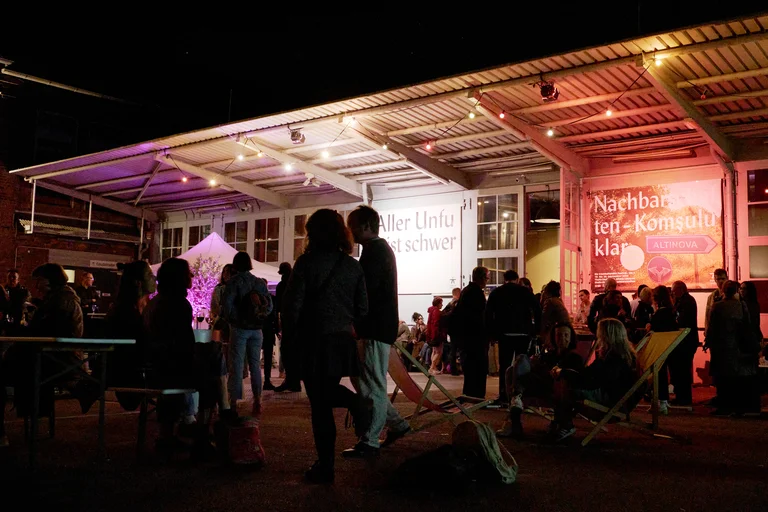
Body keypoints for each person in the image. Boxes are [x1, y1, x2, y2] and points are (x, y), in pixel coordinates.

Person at [281, 209, 371, 484]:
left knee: (319, 405)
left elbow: (292, 307)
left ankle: (327, 464)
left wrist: (289, 341)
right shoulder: (352, 266)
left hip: (313, 340)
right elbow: (362, 307)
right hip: (341, 340)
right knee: (323, 397)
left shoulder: (306, 264)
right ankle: (326, 463)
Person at [144, 258, 231, 455]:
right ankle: (208, 427)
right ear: (179, 278)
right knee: (211, 375)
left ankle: (180, 431)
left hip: (157, 367)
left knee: (213, 356)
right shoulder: (179, 305)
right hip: (172, 368)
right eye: (189, 272)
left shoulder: (155, 303)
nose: (192, 275)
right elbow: (183, 346)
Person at [343, 205, 411, 459]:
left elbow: (366, 293)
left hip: (373, 327)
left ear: (366, 227)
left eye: (354, 228)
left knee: (372, 384)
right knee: (369, 381)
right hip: (380, 326)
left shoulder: (373, 253)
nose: (351, 233)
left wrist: (356, 321)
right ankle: (397, 425)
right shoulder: (380, 250)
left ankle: (371, 439)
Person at [1, 264, 92, 448]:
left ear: (50, 281)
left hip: (56, 361)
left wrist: (24, 327)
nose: (37, 286)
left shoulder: (62, 301)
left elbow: (45, 331)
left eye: (40, 281)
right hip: (55, 358)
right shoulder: (60, 298)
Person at [550, 318, 638, 442]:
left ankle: (565, 424)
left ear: (607, 336)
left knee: (567, 385)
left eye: (600, 333)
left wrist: (566, 374)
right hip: (605, 394)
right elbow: (588, 373)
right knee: (565, 380)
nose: (598, 337)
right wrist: (566, 372)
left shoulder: (616, 359)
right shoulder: (612, 355)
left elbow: (596, 381)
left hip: (609, 400)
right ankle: (561, 422)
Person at [497, 323, 584, 438]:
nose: (562, 338)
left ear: (571, 337)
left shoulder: (574, 358)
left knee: (520, 373)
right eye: (559, 335)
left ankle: (515, 406)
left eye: (566, 335)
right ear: (554, 337)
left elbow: (573, 377)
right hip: (536, 385)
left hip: (554, 389)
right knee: (514, 367)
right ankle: (516, 402)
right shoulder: (549, 355)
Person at [221, 251, 273, 417]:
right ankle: (257, 400)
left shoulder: (233, 282)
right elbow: (269, 306)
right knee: (255, 365)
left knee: (236, 365)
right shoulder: (258, 282)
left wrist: (232, 319)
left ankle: (234, 402)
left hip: (239, 328)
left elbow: (227, 306)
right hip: (256, 328)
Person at [705, 280, 760, 415]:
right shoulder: (741, 306)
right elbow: (748, 326)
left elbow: (712, 328)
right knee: (734, 377)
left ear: (723, 291)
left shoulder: (717, 307)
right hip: (736, 346)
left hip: (721, 346)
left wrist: (708, 342)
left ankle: (724, 405)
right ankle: (736, 405)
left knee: (722, 377)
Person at [485, 269, 540, 403]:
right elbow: (537, 309)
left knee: (505, 365)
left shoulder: (497, 292)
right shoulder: (525, 292)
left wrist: (492, 333)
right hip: (523, 333)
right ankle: (520, 394)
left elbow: (488, 314)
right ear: (517, 279)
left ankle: (504, 394)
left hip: (505, 334)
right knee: (522, 365)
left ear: (505, 279)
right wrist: (535, 330)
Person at [453, 266, 491, 399]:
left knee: (470, 370)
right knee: (478, 369)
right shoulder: (476, 293)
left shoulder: (466, 291)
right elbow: (480, 318)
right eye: (487, 278)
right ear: (481, 278)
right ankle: (476, 396)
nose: (487, 281)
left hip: (466, 338)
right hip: (475, 338)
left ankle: (469, 394)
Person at [649, 285, 677, 415]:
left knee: (658, 375)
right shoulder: (671, 311)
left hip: (658, 347)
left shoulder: (660, 312)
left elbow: (653, 328)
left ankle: (661, 401)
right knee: (662, 375)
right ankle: (662, 401)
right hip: (666, 346)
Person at [670, 281, 699, 406]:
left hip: (686, 341)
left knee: (683, 371)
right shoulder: (686, 300)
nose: (672, 293)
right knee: (681, 370)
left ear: (680, 289)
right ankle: (681, 396)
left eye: (673, 291)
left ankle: (684, 398)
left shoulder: (687, 302)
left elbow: (682, 320)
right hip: (686, 340)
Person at [275, 262, 301, 392]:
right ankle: (294, 381)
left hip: (288, 321)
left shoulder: (282, 286)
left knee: (286, 351)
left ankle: (291, 380)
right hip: (298, 322)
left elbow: (279, 306)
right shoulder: (296, 284)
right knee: (294, 352)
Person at [540, 281, 571, 348]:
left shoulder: (549, 301)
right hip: (566, 329)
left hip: (558, 331)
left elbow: (544, 318)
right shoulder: (559, 300)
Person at [261, 279, 278, 391]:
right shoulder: (271, 298)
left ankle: (265, 380)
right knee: (267, 356)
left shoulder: (257, 298)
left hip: (259, 329)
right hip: (268, 330)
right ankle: (267, 380)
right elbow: (274, 314)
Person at [440, 287, 462, 375]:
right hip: (458, 330)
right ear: (459, 294)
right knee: (459, 350)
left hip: (451, 330)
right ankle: (455, 369)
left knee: (453, 349)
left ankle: (453, 368)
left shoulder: (449, 304)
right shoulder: (457, 304)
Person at [210, 264, 234, 340]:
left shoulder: (237, 287)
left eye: (228, 272)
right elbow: (214, 306)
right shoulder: (219, 288)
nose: (225, 274)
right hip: (222, 321)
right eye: (224, 272)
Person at [425, 297, 447, 374]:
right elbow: (436, 324)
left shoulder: (432, 311)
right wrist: (437, 335)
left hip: (432, 334)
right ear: (438, 303)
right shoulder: (436, 312)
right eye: (441, 303)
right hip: (437, 335)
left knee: (434, 351)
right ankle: (432, 367)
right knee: (439, 352)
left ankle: (433, 367)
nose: (442, 304)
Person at [5, 269, 30, 334]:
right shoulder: (3, 291)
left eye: (14, 277)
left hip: (19, 322)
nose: (11, 279)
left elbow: (19, 304)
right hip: (4, 323)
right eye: (9, 277)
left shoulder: (24, 292)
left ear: (18, 279)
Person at [705, 268, 728, 335]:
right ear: (715, 280)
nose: (721, 281)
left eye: (723, 279)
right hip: (715, 331)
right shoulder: (711, 297)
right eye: (718, 279)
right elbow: (707, 315)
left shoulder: (732, 295)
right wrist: (707, 330)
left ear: (726, 279)